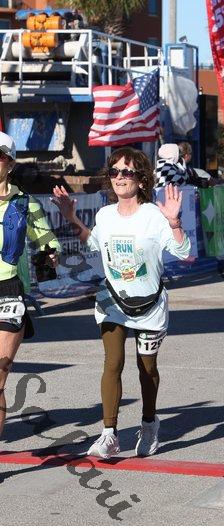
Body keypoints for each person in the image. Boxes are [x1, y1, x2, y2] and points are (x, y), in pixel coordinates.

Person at [52, 147, 191, 458]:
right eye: (114, 171)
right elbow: (93, 243)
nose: (119, 177)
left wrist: (174, 222)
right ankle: (109, 434)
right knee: (112, 363)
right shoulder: (105, 215)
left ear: (141, 179)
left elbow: (183, 253)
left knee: (147, 369)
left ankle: (149, 424)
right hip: (112, 300)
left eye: (126, 172)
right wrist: (71, 218)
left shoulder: (154, 215)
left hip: (150, 305)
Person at [0, 132, 60, 438]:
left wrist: (51, 254)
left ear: (9, 163)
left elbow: (47, 240)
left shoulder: (25, 203)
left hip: (9, 291)